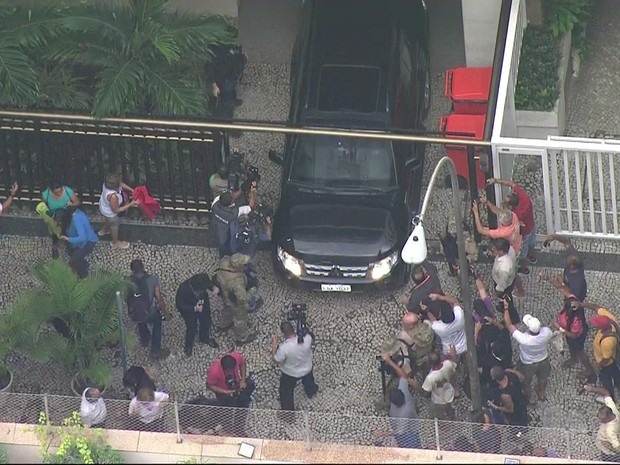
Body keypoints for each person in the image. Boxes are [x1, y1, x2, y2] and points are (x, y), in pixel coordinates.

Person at [486, 177, 537, 273]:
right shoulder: (525, 199)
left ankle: (523, 268)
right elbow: (512, 184)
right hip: (532, 226)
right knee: (532, 244)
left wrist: (487, 203)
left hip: (524, 234)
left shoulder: (515, 215)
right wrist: (496, 181)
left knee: (523, 253)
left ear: (511, 206)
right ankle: (532, 256)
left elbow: (498, 212)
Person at [504, 306, 553, 404]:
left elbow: (509, 325)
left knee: (526, 381)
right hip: (543, 359)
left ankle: (530, 398)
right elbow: (550, 328)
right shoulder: (546, 332)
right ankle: (541, 393)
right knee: (543, 378)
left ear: (529, 329)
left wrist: (506, 308)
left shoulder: (524, 339)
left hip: (528, 363)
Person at [376, 352, 421, 449]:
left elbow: (400, 432)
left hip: (409, 434)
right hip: (400, 424)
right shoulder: (403, 391)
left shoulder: (404, 414)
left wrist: (383, 433)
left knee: (410, 447)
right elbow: (403, 376)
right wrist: (390, 362)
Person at [128, 260, 170, 360]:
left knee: (140, 319)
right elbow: (159, 298)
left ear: (132, 270)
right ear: (143, 268)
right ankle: (155, 351)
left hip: (134, 312)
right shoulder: (153, 279)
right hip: (150, 312)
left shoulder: (126, 281)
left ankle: (145, 340)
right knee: (157, 323)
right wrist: (165, 313)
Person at [273, 321, 318, 412]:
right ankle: (311, 391)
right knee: (309, 380)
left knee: (286, 392)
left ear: (283, 333)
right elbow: (311, 338)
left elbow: (277, 359)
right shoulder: (307, 338)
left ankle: (288, 412)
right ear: (294, 329)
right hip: (307, 368)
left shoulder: (284, 348)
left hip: (291, 373)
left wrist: (274, 347)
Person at [215, 253, 257, 344]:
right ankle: (241, 338)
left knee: (227, 310)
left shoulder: (224, 262)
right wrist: (252, 290)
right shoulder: (237, 282)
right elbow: (242, 298)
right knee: (240, 319)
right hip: (235, 301)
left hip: (225, 294)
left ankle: (224, 324)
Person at [176, 273, 219, 356]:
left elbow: (208, 283)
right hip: (190, 310)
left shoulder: (202, 278)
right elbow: (180, 305)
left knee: (205, 321)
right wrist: (194, 308)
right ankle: (188, 346)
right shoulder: (183, 289)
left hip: (202, 303)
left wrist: (213, 287)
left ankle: (204, 338)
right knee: (191, 327)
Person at [554, 295, 595, 380]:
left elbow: (573, 335)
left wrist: (560, 328)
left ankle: (589, 369)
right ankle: (573, 359)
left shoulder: (576, 322)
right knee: (571, 347)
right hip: (568, 335)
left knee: (580, 352)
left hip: (576, 338)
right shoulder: (568, 307)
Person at [585, 304, 620, 401]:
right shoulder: (610, 320)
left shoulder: (607, 342)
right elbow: (596, 308)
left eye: (596, 324)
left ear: (601, 328)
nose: (593, 324)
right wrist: (580, 304)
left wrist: (599, 365)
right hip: (612, 360)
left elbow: (606, 358)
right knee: (616, 373)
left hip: (607, 364)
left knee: (605, 379)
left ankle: (610, 398)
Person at [383, 312, 434, 378]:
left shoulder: (405, 336)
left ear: (410, 326)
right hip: (430, 352)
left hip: (418, 360)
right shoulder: (427, 324)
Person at [413, 346, 458, 420]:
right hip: (449, 392)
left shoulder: (430, 378)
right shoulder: (448, 364)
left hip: (438, 400)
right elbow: (454, 363)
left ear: (430, 363)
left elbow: (425, 392)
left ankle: (443, 425)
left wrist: (416, 384)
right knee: (448, 407)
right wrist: (452, 355)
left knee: (438, 414)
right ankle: (452, 417)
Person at [211, 188, 256, 258]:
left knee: (221, 248)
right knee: (228, 249)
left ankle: (222, 257)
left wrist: (242, 188)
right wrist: (252, 192)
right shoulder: (234, 213)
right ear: (232, 202)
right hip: (226, 237)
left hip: (215, 230)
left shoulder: (215, 203)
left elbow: (231, 197)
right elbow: (251, 206)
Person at [41, 181, 80, 258]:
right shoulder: (46, 195)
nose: (59, 194)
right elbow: (43, 206)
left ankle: (69, 244)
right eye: (56, 193)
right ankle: (54, 246)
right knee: (56, 231)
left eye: (60, 191)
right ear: (51, 191)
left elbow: (77, 202)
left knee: (68, 229)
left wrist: (71, 204)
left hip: (66, 214)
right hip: (55, 216)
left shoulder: (68, 191)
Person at [98, 172, 137, 249]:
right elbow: (116, 210)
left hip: (103, 207)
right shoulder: (113, 197)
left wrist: (132, 190)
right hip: (111, 214)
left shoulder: (107, 184)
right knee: (114, 226)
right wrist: (131, 204)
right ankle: (115, 242)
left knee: (107, 220)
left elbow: (121, 184)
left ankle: (104, 230)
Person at [543, 234, 587, 301]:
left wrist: (560, 282)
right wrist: (554, 237)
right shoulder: (575, 258)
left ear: (572, 266)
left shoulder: (575, 281)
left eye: (568, 259)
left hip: (576, 298)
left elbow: (569, 294)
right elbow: (566, 242)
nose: (567, 256)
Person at [58, 206, 98, 278]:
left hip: (88, 242)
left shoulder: (76, 219)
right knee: (71, 252)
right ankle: (83, 263)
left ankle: (83, 276)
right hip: (76, 240)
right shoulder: (76, 214)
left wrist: (68, 239)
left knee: (74, 261)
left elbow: (83, 237)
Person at [583, 384, 620, 462]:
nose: (599, 421)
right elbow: (606, 392)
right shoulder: (613, 409)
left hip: (608, 450)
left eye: (602, 420)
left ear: (608, 417)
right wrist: (592, 389)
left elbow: (617, 447)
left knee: (609, 458)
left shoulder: (610, 431)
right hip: (616, 434)